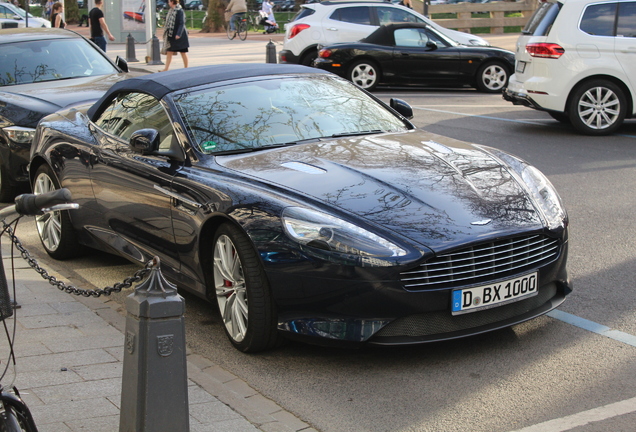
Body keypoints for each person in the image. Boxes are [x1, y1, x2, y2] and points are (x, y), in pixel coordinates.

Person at [161, 0, 189, 71]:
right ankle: (166, 68)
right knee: (169, 52)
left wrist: (178, 34)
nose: (168, 3)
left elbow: (181, 23)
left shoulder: (180, 11)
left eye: (169, 1)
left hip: (180, 35)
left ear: (173, 2)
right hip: (171, 34)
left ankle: (186, 68)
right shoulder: (171, 11)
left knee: (183, 52)